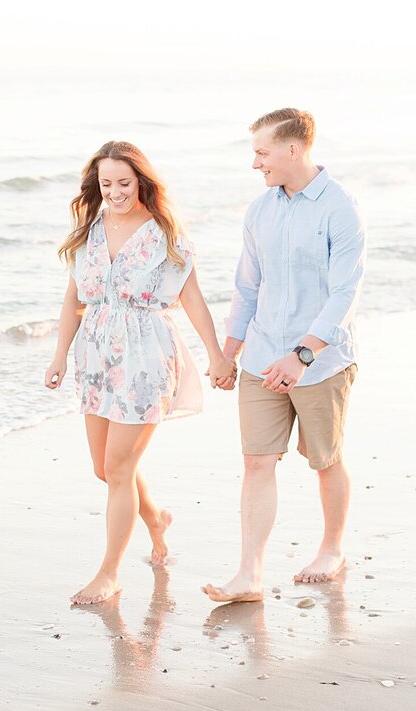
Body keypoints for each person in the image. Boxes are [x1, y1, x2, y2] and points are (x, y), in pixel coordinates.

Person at [45, 140, 235, 606]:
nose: (114, 192)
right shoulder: (89, 232)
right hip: (94, 356)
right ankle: (155, 519)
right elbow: (74, 300)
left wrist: (216, 355)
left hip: (146, 358)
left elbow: (193, 301)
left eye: (124, 183)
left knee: (119, 467)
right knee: (104, 469)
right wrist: (57, 355)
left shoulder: (165, 235)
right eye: (106, 183)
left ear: (142, 182)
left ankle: (108, 574)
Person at [202, 108, 366, 602]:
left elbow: (345, 292)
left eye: (262, 152)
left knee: (324, 460)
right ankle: (249, 574)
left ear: (292, 150)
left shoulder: (340, 207)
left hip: (320, 363)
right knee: (256, 462)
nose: (256, 163)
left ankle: (332, 549)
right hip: (260, 356)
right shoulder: (260, 210)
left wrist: (302, 355)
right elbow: (246, 289)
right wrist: (228, 353)